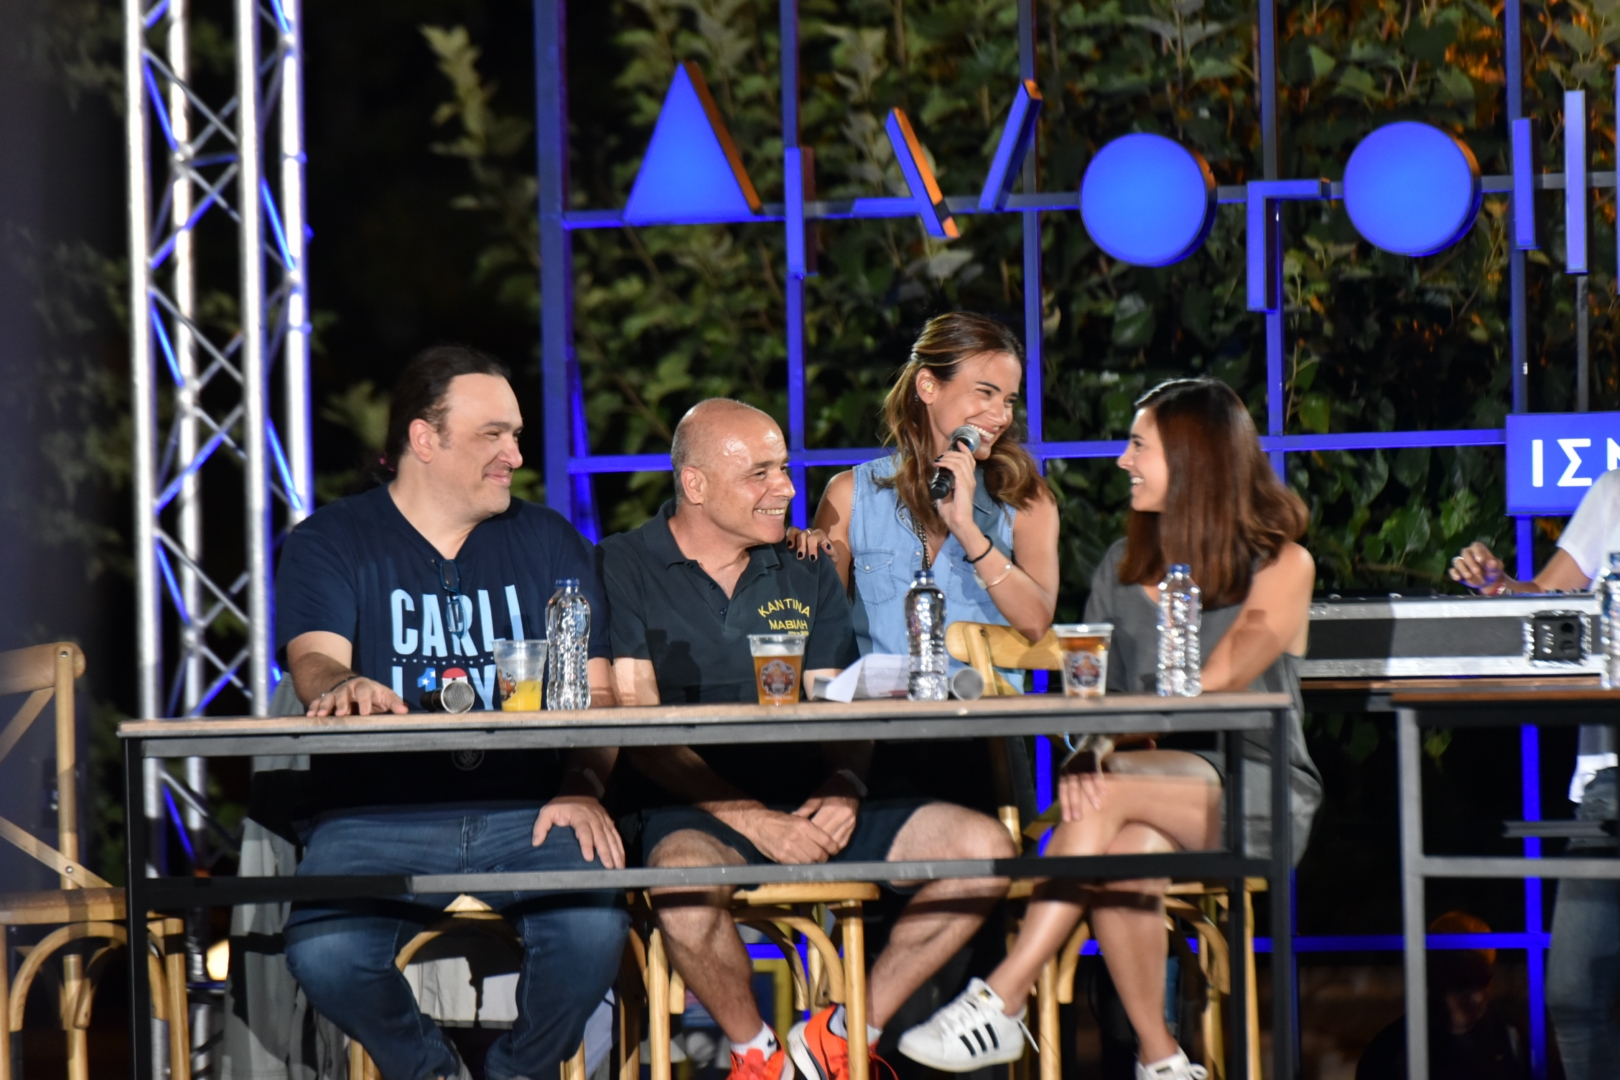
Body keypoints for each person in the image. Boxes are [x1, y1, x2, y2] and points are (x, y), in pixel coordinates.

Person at [896, 378, 1323, 1080]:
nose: (1122, 461)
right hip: (1144, 790)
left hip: (1256, 790)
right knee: (1122, 839)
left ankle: (1004, 998)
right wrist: (1092, 747)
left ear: (1193, 460)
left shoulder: (1282, 563)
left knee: (1110, 786)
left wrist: (1108, 747)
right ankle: (1164, 1062)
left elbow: (1220, 675)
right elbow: (1104, 708)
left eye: (1138, 446)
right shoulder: (1119, 573)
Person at [600, 398, 1018, 1080]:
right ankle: (757, 1052)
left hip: (811, 798)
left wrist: (845, 785)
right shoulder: (623, 562)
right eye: (761, 473)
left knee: (985, 850)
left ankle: (844, 1034)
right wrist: (753, 819)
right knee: (679, 885)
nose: (789, 490)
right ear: (695, 484)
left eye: (786, 470)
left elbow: (836, 698)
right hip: (697, 808)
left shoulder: (806, 564)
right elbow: (639, 728)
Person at [275, 345, 629, 1080]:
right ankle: (433, 1072)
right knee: (326, 950)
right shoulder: (330, 540)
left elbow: (598, 694)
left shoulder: (550, 541)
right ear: (423, 439)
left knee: (595, 927)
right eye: (493, 435)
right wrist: (341, 684)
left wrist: (581, 786)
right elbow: (314, 660)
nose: (516, 454)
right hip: (376, 815)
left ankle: (514, 1075)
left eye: (518, 434)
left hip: (529, 812)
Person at [1449, 471, 1620, 1080]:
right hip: (1609, 781)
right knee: (1573, 994)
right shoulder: (1614, 493)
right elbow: (1545, 601)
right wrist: (1500, 588)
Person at [807, 312, 1060, 686]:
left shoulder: (1026, 498)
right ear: (928, 386)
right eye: (985, 393)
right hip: (882, 728)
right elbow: (823, 629)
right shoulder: (850, 493)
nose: (1001, 416)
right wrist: (806, 562)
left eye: (1008, 400)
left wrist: (968, 531)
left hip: (986, 730)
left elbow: (1037, 622)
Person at [1354, 912, 1531, 1080]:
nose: (1478, 997)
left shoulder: (1511, 1040)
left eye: (1485, 981)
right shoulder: (1390, 1051)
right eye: (1462, 983)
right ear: (1434, 980)